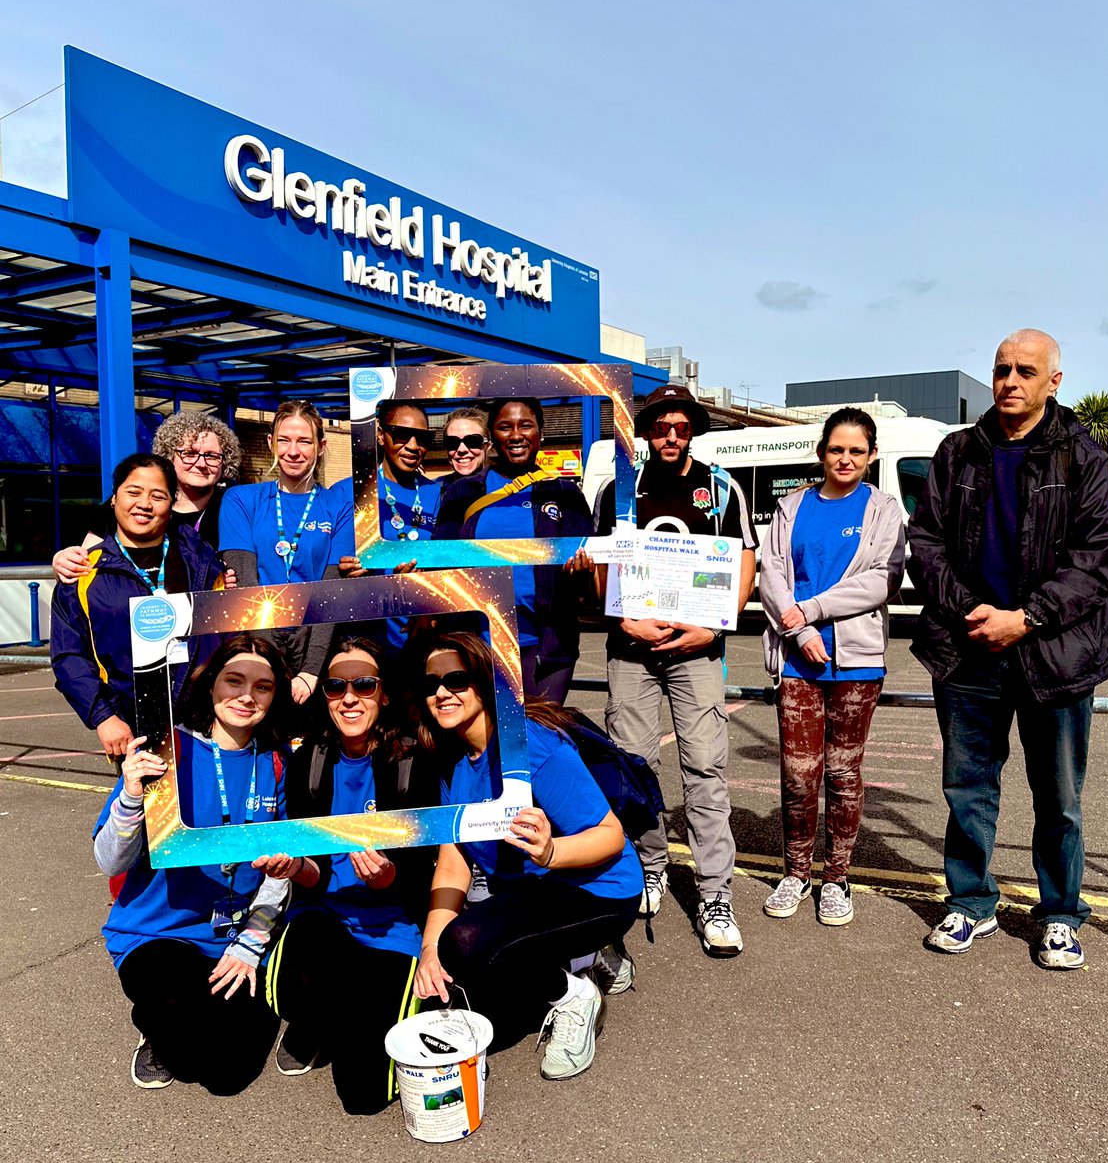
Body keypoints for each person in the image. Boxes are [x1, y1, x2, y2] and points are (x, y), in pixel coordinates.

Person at [908, 329, 1108, 969]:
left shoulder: (1084, 459)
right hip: (970, 650)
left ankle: (1059, 914)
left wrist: (1024, 618)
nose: (1010, 381)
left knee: (1058, 798)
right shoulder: (958, 453)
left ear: (1054, 381)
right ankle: (971, 903)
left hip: (1054, 657)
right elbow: (926, 543)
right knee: (968, 789)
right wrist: (970, 610)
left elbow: (1096, 564)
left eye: (1026, 370)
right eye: (1002, 369)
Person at [413, 631, 642, 1081]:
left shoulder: (534, 747)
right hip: (534, 892)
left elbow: (610, 836)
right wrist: (428, 949)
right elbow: (453, 860)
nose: (441, 693)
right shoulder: (450, 757)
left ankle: (575, 995)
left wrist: (552, 849)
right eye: (431, 684)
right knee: (455, 963)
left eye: (456, 679)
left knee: (468, 945)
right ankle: (586, 957)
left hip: (600, 891)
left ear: (485, 680)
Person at [593, 384, 757, 956]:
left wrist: (714, 628)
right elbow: (601, 567)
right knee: (635, 766)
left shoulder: (719, 487)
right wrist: (624, 621)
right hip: (632, 648)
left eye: (680, 426)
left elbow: (743, 562)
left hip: (700, 648)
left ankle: (715, 894)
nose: (670, 434)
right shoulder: (620, 489)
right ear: (647, 429)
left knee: (705, 769)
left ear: (692, 430)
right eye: (661, 425)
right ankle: (650, 864)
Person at [91, 634, 292, 1092]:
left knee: (227, 1075)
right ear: (210, 685)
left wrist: (252, 942)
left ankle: (199, 1013)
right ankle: (156, 1026)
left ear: (275, 695)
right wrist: (130, 797)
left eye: (262, 686)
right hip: (156, 935)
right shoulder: (165, 752)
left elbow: (279, 875)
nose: (246, 696)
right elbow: (109, 860)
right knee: (185, 1045)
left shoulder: (277, 762)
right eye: (234, 681)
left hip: (232, 935)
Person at [253, 636, 438, 1115]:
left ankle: (360, 1005)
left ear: (385, 693)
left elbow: (429, 867)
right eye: (335, 686)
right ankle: (323, 1011)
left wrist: (388, 877)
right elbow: (311, 873)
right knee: (295, 990)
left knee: (364, 1094)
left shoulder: (414, 761)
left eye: (364, 684)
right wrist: (297, 867)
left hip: (394, 927)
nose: (349, 697)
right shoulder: (308, 760)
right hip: (326, 919)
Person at [758, 408, 906, 926]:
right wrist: (798, 631)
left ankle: (836, 877)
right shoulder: (791, 506)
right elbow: (770, 572)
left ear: (871, 456)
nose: (845, 459)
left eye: (856, 451)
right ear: (822, 452)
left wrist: (815, 610)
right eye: (837, 449)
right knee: (800, 776)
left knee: (844, 774)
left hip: (857, 663)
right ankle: (796, 872)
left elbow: (882, 580)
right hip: (797, 658)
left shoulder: (883, 509)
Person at [51, 453, 226, 761]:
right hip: (132, 731)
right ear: (114, 498)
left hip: (208, 725)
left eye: (158, 496)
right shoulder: (81, 572)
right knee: (138, 808)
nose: (144, 504)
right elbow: (69, 657)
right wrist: (103, 717)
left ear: (171, 504)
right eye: (133, 492)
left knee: (215, 809)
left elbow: (226, 640)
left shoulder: (203, 563)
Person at [434, 397, 594, 703]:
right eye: (505, 427)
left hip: (546, 647)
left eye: (526, 425)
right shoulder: (464, 492)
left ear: (540, 433)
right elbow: (441, 563)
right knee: (487, 740)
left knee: (539, 738)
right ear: (492, 437)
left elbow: (585, 578)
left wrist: (580, 574)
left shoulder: (564, 493)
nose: (516, 435)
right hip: (478, 643)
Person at [219, 400, 355, 705]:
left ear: (321, 446)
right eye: (284, 440)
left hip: (315, 645)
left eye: (304, 441)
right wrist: (272, 663)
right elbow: (245, 583)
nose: (293, 451)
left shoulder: (338, 506)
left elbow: (331, 590)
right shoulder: (241, 499)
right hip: (256, 645)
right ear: (271, 443)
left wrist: (310, 669)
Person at [50, 410, 241, 583]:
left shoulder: (236, 507)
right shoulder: (128, 506)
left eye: (211, 456)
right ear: (168, 455)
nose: (201, 463)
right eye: (189, 454)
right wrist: (62, 562)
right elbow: (84, 562)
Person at [376, 400, 442, 541]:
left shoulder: (434, 492)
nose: (413, 446)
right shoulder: (351, 491)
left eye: (423, 437)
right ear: (381, 435)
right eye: (402, 434)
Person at [441, 406, 491, 483]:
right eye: (452, 442)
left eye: (472, 441)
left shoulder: (505, 489)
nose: (462, 449)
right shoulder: (433, 491)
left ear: (487, 446)